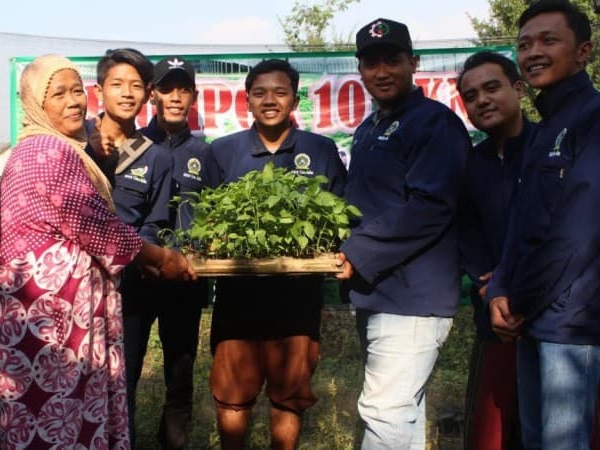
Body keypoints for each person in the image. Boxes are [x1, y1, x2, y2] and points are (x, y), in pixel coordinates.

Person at [0, 54, 194, 450]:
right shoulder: (52, 151)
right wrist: (163, 259)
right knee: (58, 418)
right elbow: (98, 228)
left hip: (42, 317)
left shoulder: (47, 149)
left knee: (48, 418)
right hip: (50, 320)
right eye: (58, 93)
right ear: (35, 102)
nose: (73, 101)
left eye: (76, 91)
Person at [484, 1, 600, 448]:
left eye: (549, 41)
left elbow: (582, 231)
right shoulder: (545, 128)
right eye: (525, 43)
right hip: (530, 315)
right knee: (536, 441)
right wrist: (499, 291)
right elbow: (520, 224)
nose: (533, 52)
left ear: (584, 51)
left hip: (571, 319)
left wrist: (520, 299)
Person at [335, 18, 471, 449]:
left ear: (414, 63)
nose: (381, 71)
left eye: (392, 60)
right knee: (403, 415)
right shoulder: (369, 128)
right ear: (360, 70)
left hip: (412, 298)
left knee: (384, 412)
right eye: (371, 62)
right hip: (379, 290)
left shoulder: (434, 123)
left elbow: (431, 205)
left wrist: (359, 250)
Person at [205, 59, 346, 450]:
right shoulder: (224, 151)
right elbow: (206, 218)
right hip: (238, 299)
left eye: (280, 92)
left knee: (290, 393)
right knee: (233, 391)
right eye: (260, 92)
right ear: (247, 99)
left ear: (294, 99)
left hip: (298, 298)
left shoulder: (320, 149)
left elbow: (339, 214)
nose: (270, 100)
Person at [84, 48, 175, 446]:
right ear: (98, 90)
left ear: (148, 94)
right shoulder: (74, 141)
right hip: (74, 293)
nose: (126, 93)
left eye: (136, 85)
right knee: (75, 383)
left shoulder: (156, 157)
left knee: (123, 387)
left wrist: (137, 255)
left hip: (128, 293)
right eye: (116, 84)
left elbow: (155, 223)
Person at [130, 55, 210, 449]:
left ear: (193, 96)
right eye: (167, 88)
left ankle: (173, 441)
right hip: (137, 276)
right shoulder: (133, 148)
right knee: (124, 371)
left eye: (183, 89)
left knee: (180, 370)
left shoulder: (206, 152)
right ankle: (118, 438)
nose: (175, 97)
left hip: (185, 280)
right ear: (153, 95)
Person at [456, 51, 531, 450]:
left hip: (547, 313)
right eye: (470, 96)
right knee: (491, 432)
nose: (482, 100)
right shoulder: (472, 162)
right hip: (494, 315)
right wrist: (490, 286)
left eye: (491, 88)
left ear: (518, 88)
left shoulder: (548, 149)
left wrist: (515, 285)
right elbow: (467, 231)